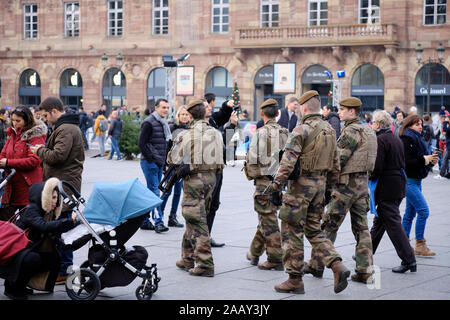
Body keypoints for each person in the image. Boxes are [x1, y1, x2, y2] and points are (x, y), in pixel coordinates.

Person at [267, 90, 350, 295]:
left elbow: (288, 162)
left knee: (291, 229)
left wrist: (276, 186)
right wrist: (329, 189)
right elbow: (336, 165)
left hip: (300, 188)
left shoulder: (300, 130)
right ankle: (336, 264)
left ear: (303, 108)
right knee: (314, 229)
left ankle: (294, 279)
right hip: (320, 186)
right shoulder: (330, 130)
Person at [310, 97, 377, 284]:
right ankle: (365, 270)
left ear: (352, 112)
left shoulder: (351, 131)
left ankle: (317, 264)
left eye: (342, 109)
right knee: (362, 228)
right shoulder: (369, 131)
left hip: (346, 186)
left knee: (329, 224)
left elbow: (339, 159)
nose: (339, 112)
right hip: (363, 184)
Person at [30, 96, 85, 284]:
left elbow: (57, 156)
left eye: (45, 115)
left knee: (63, 229)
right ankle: (63, 268)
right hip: (64, 184)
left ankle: (65, 270)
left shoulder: (66, 129)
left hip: (65, 186)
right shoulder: (65, 127)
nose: (45, 119)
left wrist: (39, 151)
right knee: (61, 227)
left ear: (54, 111)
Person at [167, 99, 224, 277]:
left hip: (194, 180)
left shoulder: (186, 135)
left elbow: (172, 159)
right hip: (212, 179)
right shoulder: (216, 133)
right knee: (195, 216)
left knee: (196, 219)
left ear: (190, 115)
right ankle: (187, 257)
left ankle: (205, 263)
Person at [0, 178, 78, 300]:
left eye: (56, 198)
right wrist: (69, 221)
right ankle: (12, 288)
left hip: (25, 249)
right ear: (43, 197)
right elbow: (43, 226)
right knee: (32, 259)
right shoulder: (32, 210)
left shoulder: (47, 212)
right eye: (52, 197)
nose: (55, 201)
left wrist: (75, 225)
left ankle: (22, 284)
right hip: (13, 251)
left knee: (53, 258)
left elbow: (53, 230)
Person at [369, 110, 417, 273]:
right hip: (397, 182)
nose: (372, 125)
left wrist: (369, 175)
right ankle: (365, 252)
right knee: (380, 221)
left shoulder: (380, 140)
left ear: (379, 124)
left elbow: (377, 167)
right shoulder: (395, 138)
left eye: (374, 122)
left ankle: (409, 259)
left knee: (393, 223)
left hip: (386, 186)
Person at [244, 99, 288, 271]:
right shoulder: (286, 132)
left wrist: (253, 175)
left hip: (264, 182)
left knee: (268, 221)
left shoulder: (261, 133)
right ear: (277, 114)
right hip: (280, 182)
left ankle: (276, 257)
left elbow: (252, 159)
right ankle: (254, 252)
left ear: (262, 114)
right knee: (266, 217)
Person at [400, 115, 439, 256]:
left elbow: (420, 161)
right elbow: (407, 161)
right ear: (409, 125)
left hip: (416, 180)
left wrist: (430, 161)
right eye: (417, 124)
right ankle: (420, 244)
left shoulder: (418, 138)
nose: (420, 126)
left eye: (421, 124)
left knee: (409, 214)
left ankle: (404, 246)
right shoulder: (406, 138)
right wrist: (424, 159)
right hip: (409, 181)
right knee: (423, 211)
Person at [0, 106, 47, 217]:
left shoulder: (35, 135)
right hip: (11, 185)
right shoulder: (13, 134)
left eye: (18, 121)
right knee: (6, 222)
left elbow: (34, 160)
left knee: (27, 222)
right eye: (13, 120)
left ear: (27, 120)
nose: (15, 123)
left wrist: (8, 163)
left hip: (28, 186)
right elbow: (3, 153)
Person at [204, 93, 235, 247]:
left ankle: (206, 236)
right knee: (202, 207)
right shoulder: (196, 127)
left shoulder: (212, 122)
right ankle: (197, 241)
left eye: (209, 107)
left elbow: (226, 148)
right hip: (204, 172)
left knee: (214, 205)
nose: (209, 109)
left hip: (217, 169)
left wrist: (227, 108)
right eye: (206, 107)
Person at [138, 99, 170, 233]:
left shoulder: (163, 123)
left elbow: (163, 145)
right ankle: (158, 222)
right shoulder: (149, 122)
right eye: (163, 107)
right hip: (150, 162)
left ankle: (144, 221)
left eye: (167, 108)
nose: (166, 110)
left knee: (150, 191)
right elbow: (142, 143)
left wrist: (163, 163)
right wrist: (151, 158)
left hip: (158, 162)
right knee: (155, 192)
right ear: (156, 108)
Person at [158, 106, 191, 228]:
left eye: (187, 114)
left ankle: (172, 217)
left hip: (183, 165)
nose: (184, 116)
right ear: (178, 116)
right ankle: (159, 216)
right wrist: (165, 164)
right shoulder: (173, 128)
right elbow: (167, 147)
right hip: (172, 165)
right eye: (182, 114)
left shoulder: (191, 129)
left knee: (178, 192)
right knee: (167, 191)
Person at [434, 113, 450, 180]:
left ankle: (441, 175)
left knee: (445, 160)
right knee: (445, 160)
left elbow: (445, 129)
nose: (446, 119)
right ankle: (446, 174)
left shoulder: (448, 126)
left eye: (447, 118)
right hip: (448, 145)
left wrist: (445, 121)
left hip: (449, 146)